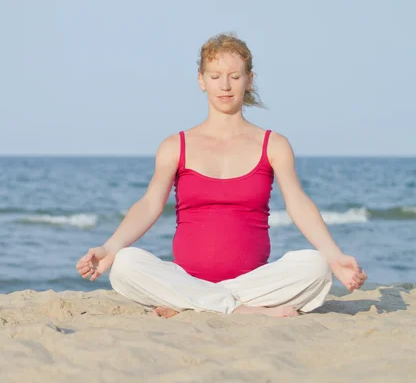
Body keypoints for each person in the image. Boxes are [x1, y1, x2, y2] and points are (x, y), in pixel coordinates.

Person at [75, 33, 368, 318]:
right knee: (125, 263)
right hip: (187, 278)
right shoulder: (175, 146)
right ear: (201, 80)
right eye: (215, 76)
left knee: (316, 266)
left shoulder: (273, 144)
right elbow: (150, 203)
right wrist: (110, 248)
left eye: (235, 76)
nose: (225, 85)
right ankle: (238, 309)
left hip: (253, 283)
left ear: (249, 80)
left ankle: (195, 304)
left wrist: (334, 256)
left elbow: (298, 203)